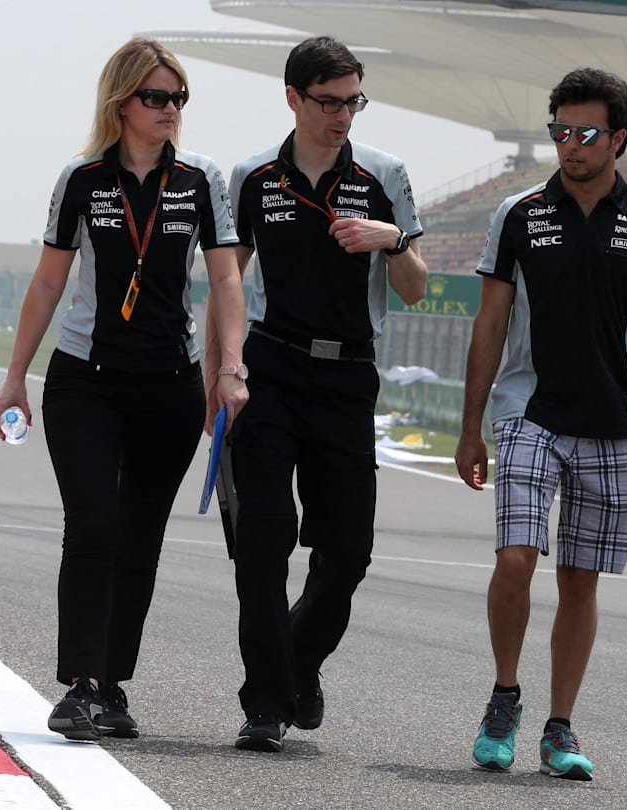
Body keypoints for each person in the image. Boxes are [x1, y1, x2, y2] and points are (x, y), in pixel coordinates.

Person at [0, 37, 249, 741]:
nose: (170, 110)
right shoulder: (82, 178)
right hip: (85, 381)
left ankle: (112, 685)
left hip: (169, 385)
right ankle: (78, 683)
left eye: (178, 98)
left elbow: (226, 277)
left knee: (139, 538)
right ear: (122, 102)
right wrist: (14, 376)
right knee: (94, 524)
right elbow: (48, 280)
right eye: (156, 97)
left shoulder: (199, 181)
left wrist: (229, 370)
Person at [455, 67, 627, 781]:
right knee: (515, 558)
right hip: (529, 413)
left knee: (581, 582)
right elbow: (490, 322)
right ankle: (504, 697)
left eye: (585, 133)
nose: (570, 145)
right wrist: (471, 427)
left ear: (619, 138)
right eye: (559, 131)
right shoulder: (520, 213)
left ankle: (559, 728)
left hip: (612, 426)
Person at [214, 35, 427, 753]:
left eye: (353, 102)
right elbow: (226, 282)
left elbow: (418, 287)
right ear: (294, 99)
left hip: (347, 377)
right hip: (270, 371)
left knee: (349, 551)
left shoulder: (384, 173)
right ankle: (265, 702)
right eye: (329, 102)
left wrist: (391, 240)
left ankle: (298, 661)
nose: (343, 116)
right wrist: (227, 367)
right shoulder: (253, 176)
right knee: (263, 544)